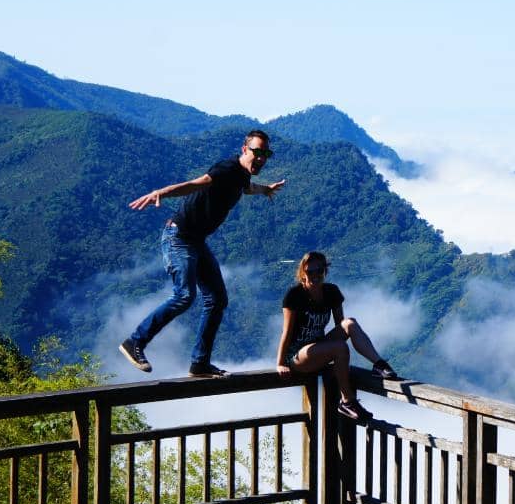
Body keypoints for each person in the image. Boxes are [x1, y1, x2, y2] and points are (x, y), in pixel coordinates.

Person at [120, 130, 285, 378]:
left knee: (217, 299)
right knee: (184, 296)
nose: (261, 158)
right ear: (244, 150)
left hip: (196, 241)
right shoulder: (227, 168)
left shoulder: (241, 175)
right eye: (257, 152)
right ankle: (135, 341)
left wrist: (266, 189)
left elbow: (247, 188)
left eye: (266, 154)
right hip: (179, 237)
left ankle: (200, 364)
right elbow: (196, 183)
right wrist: (161, 192)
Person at [276, 251, 399, 421]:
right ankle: (347, 401)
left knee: (350, 323)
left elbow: (340, 326)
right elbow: (287, 331)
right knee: (340, 348)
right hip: (298, 355)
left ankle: (379, 364)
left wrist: (338, 356)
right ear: (303, 273)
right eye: (310, 271)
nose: (315, 275)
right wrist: (280, 363)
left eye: (319, 271)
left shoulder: (331, 292)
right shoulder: (295, 295)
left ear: (325, 271)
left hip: (319, 346)